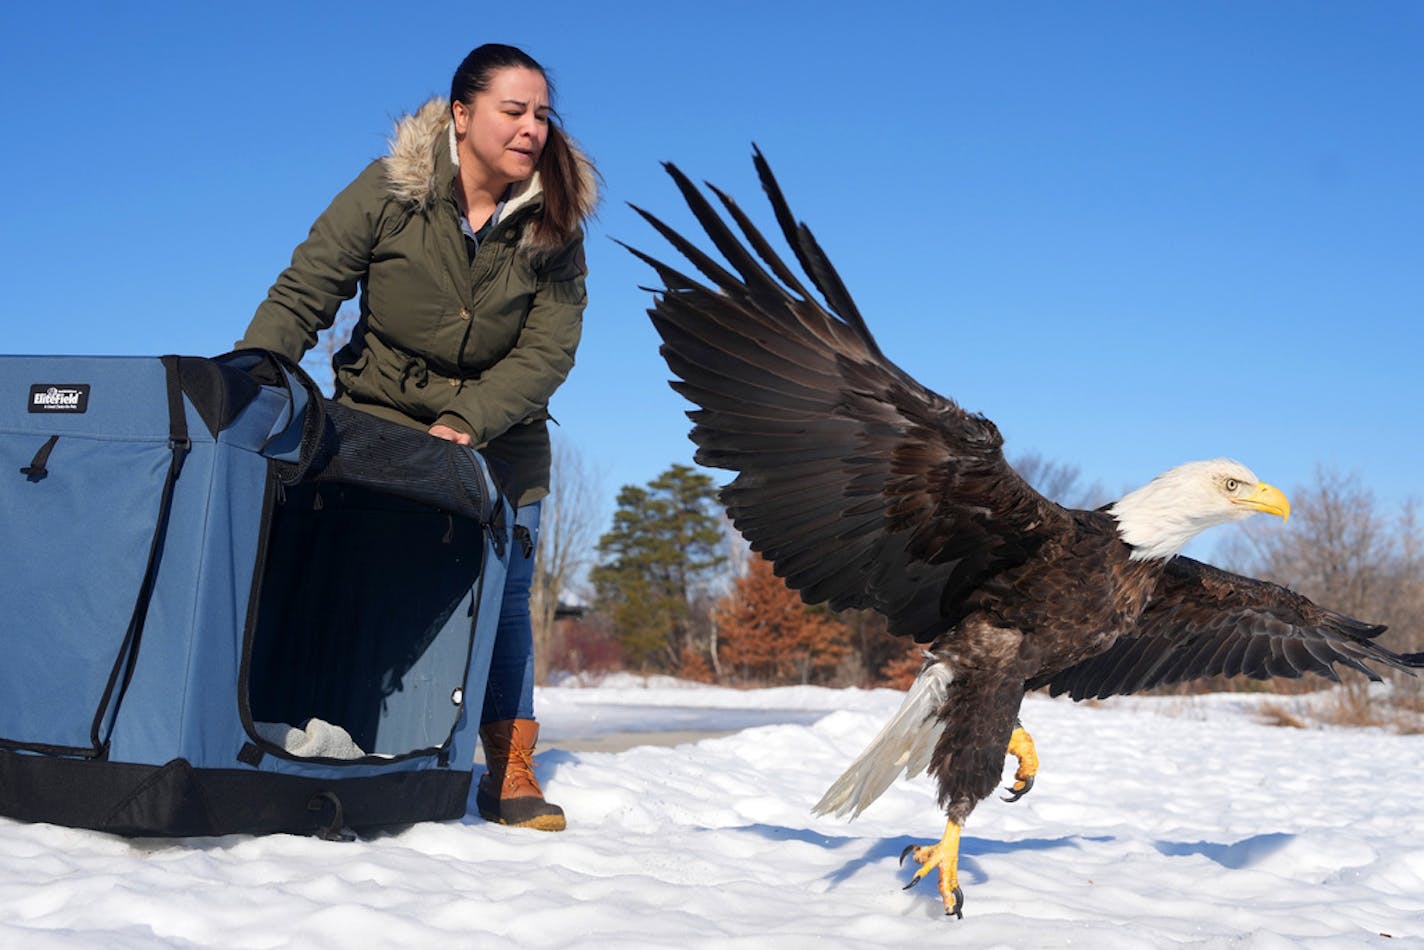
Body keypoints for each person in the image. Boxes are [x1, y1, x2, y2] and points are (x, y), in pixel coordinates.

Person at [238, 43, 598, 832]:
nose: (533, 128)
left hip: (501, 434)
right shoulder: (390, 189)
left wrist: (472, 418)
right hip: (380, 418)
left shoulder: (556, 223)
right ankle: (338, 728)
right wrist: (251, 375)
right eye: (514, 110)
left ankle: (507, 767)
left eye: (543, 113)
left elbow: (548, 351)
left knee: (503, 592)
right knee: (361, 570)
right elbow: (309, 288)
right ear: (462, 115)